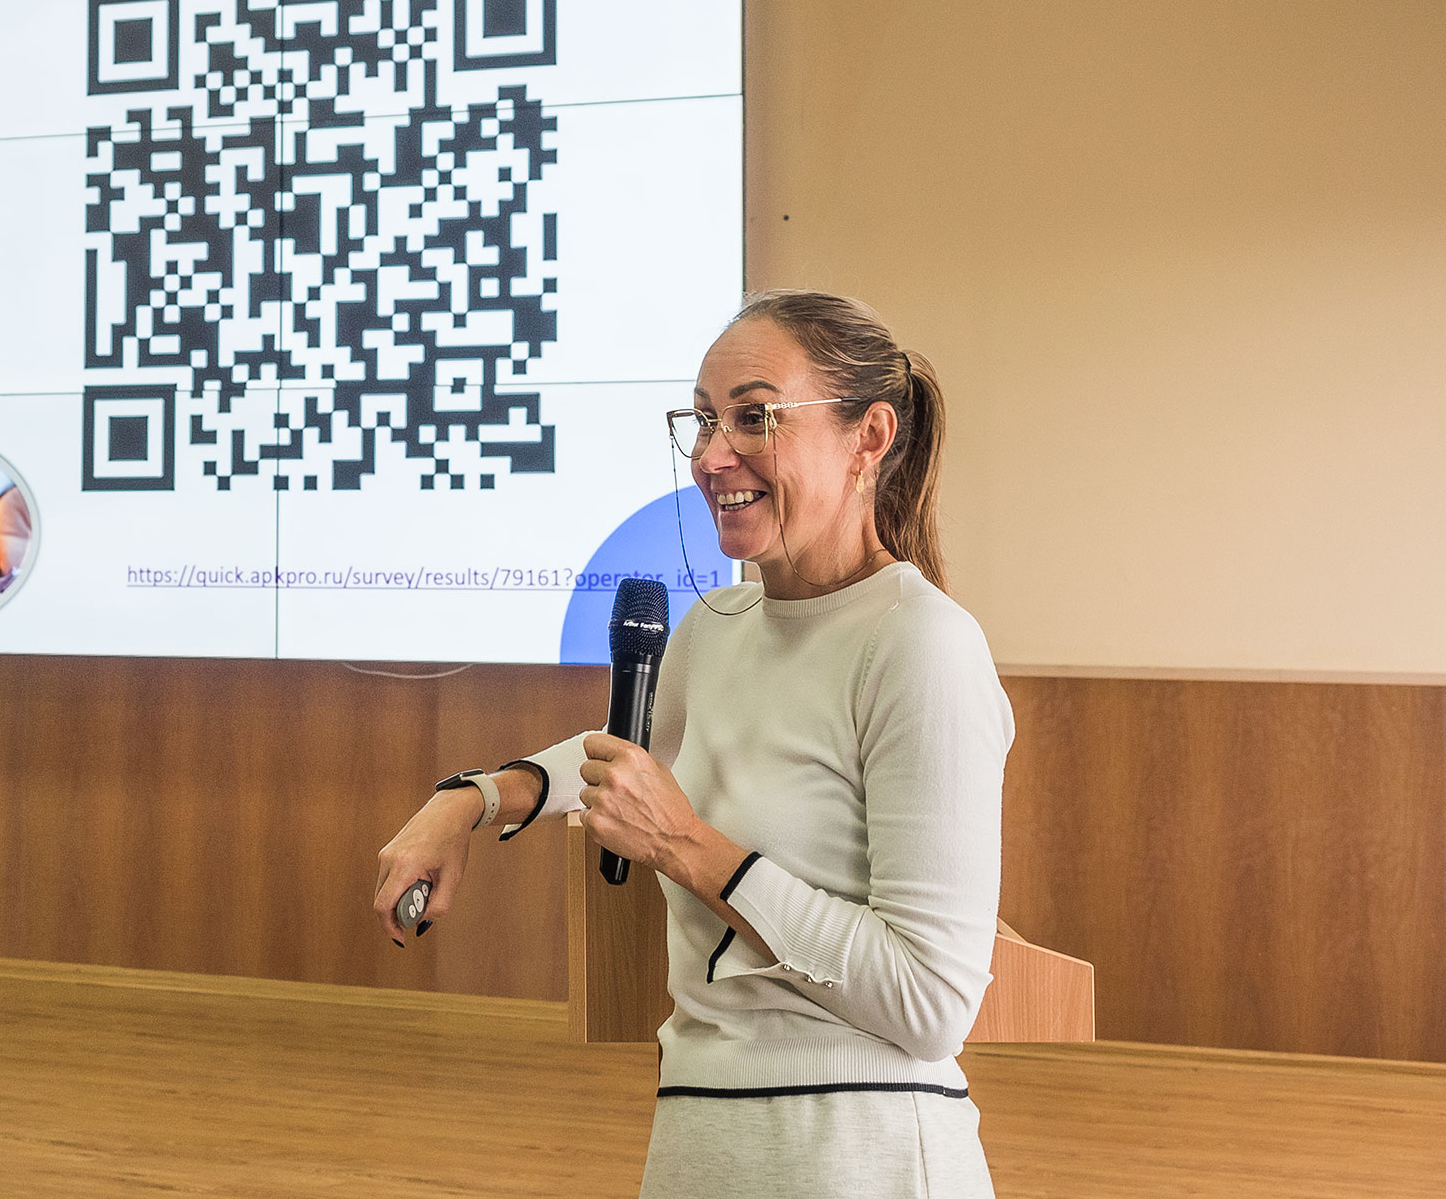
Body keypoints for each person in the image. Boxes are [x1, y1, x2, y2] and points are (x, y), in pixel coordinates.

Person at [372, 290, 1014, 1199]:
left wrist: (686, 846)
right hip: (698, 1132)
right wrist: (470, 799)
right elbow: (623, 756)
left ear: (869, 437)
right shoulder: (716, 626)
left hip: (861, 1152)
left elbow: (930, 1002)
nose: (713, 455)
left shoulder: (921, 643)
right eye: (704, 419)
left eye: (755, 417)